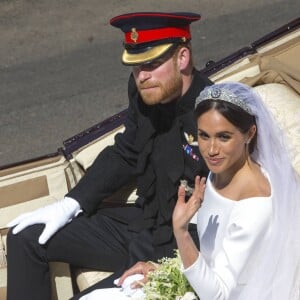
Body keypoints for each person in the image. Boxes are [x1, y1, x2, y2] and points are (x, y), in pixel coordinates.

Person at [6, 12, 212, 300]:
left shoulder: (214, 111)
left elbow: (229, 211)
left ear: (182, 58)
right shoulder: (145, 92)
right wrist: (72, 202)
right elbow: (128, 151)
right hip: (144, 221)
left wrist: (173, 263)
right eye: (136, 66)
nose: (142, 77)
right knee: (24, 237)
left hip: (186, 236)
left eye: (152, 64)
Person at [115, 82, 300, 300]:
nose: (211, 150)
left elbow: (218, 294)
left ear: (249, 134)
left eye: (224, 137)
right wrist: (163, 273)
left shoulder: (255, 204)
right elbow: (215, 258)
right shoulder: (219, 173)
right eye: (203, 136)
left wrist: (181, 232)